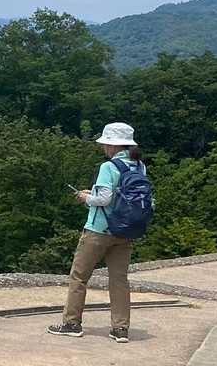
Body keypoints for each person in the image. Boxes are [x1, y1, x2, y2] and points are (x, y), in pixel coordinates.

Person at [48, 122, 146, 344]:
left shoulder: (108, 167)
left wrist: (85, 197)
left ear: (113, 146)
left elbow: (104, 199)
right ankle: (120, 328)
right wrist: (93, 192)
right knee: (119, 279)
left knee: (79, 276)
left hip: (99, 230)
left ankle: (72, 323)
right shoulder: (139, 167)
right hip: (126, 230)